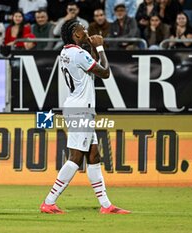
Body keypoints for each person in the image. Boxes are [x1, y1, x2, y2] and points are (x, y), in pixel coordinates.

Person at [40, 19, 131, 215]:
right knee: (75, 158)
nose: (86, 29)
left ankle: (106, 205)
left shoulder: (66, 52)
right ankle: (49, 202)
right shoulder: (79, 54)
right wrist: (100, 47)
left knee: (94, 156)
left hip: (78, 107)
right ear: (76, 33)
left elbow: (90, 65)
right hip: (80, 110)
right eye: (82, 28)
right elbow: (105, 72)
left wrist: (91, 46)